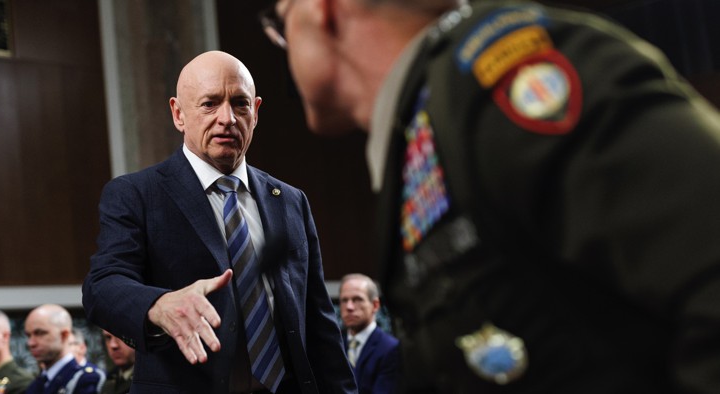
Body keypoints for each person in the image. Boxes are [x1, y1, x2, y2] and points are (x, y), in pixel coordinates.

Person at [261, 0, 720, 392]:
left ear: (323, 10)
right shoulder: (426, 122)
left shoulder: (496, 81)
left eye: (280, 23)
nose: (283, 47)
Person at [82, 50, 357, 394]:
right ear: (178, 114)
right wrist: (157, 305)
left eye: (239, 103)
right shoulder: (137, 193)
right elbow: (101, 287)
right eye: (210, 104)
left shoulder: (290, 201)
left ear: (255, 113)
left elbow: (319, 324)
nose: (227, 118)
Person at [338, 274, 399, 394]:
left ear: (375, 305)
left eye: (357, 299)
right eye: (344, 300)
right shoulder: (334, 347)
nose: (349, 307)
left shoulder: (391, 348)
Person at [23, 305, 103, 394]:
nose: (31, 343)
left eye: (40, 333)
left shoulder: (86, 379)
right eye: (28, 335)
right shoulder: (38, 383)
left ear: (64, 335)